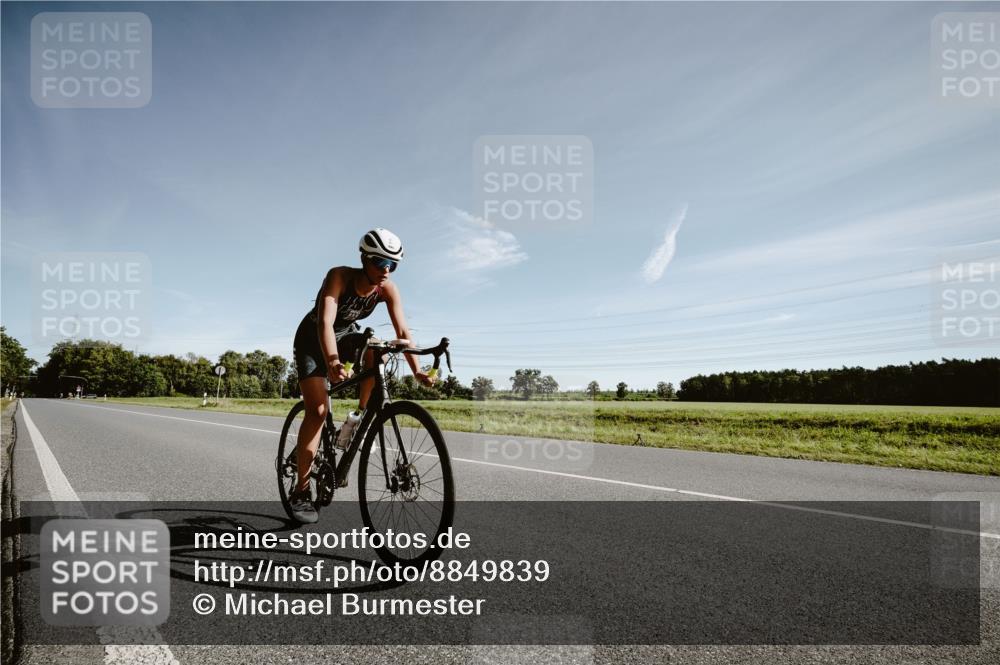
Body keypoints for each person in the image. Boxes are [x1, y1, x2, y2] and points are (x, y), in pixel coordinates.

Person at [289, 228, 435, 524]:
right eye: (380, 263)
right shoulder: (339, 276)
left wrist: (417, 370)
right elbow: (326, 323)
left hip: (345, 337)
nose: (386, 271)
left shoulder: (387, 289)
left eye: (393, 265)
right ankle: (301, 491)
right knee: (317, 411)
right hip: (313, 339)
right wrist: (331, 361)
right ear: (364, 258)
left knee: (375, 348)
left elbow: (403, 334)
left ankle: (356, 417)